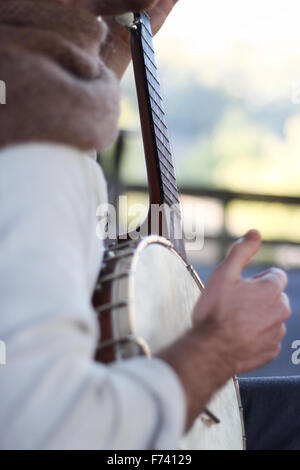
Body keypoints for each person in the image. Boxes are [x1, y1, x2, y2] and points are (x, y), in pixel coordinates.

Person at [0, 0, 297, 450]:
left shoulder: (23, 94)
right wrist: (219, 347)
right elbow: (56, 433)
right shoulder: (33, 153)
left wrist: (118, 43)